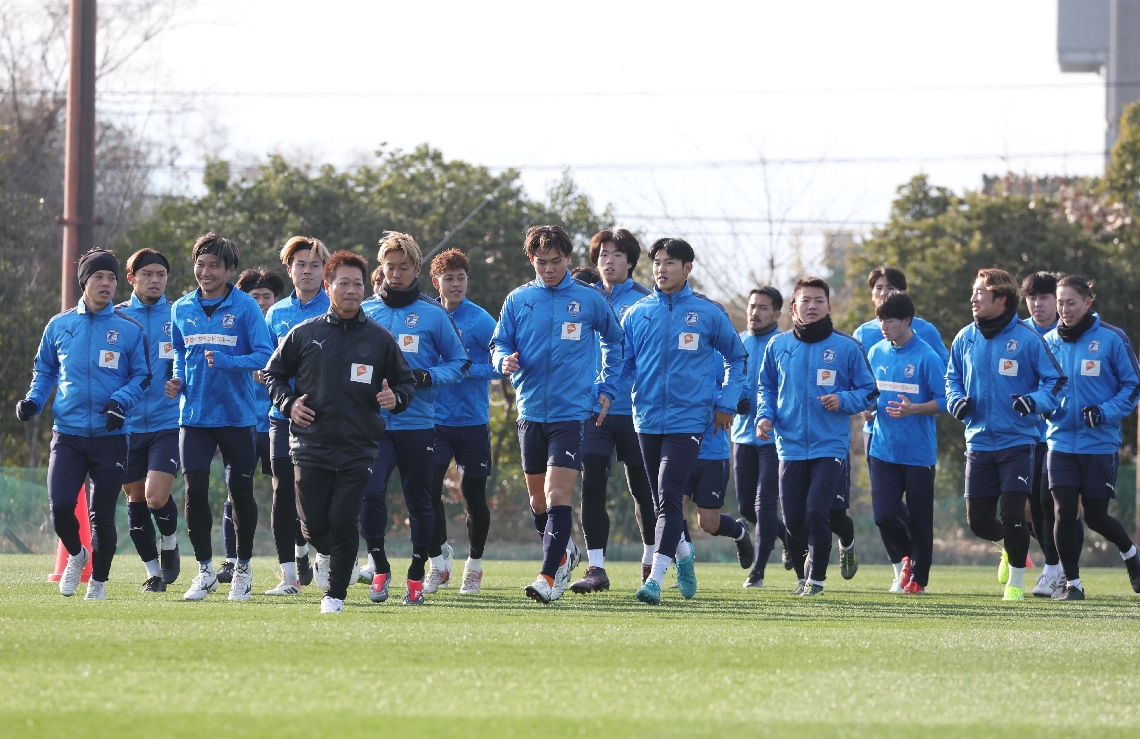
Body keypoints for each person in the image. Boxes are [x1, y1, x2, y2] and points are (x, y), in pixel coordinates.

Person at [265, 250, 417, 613]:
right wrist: (289, 404)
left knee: (344, 519)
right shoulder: (305, 333)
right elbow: (273, 374)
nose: (351, 290)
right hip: (309, 444)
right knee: (314, 525)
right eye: (343, 283)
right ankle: (330, 555)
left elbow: (406, 382)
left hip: (359, 445)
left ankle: (334, 594)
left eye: (357, 284)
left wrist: (394, 397)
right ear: (328, 286)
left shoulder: (379, 339)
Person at [490, 225, 624, 604]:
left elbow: (616, 342)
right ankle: (565, 553)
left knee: (557, 492)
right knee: (538, 503)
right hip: (530, 411)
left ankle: (548, 576)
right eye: (540, 262)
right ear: (531, 261)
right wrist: (504, 359)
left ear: (568, 258)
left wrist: (606, 388)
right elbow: (499, 342)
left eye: (555, 261)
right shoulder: (518, 300)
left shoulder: (589, 300)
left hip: (572, 413)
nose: (548, 269)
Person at [617, 237, 746, 606]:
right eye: (656, 261)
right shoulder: (638, 313)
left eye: (670, 262)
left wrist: (726, 402)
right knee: (662, 502)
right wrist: (604, 391)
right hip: (645, 420)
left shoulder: (708, 312)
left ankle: (655, 580)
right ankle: (685, 557)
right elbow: (623, 364)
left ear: (688, 268)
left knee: (670, 497)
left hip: (690, 420)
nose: (661, 268)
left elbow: (737, 359)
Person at [19, 248, 150, 600]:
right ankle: (77, 555)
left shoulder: (128, 329)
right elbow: (45, 370)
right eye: (98, 277)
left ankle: (99, 582)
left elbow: (142, 377)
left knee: (102, 515)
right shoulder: (60, 325)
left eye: (111, 278)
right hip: (68, 435)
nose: (106, 284)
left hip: (111, 436)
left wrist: (119, 402)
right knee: (61, 505)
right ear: (84, 282)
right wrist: (34, 400)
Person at [361, 232, 470, 606]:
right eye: (389, 267)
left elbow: (460, 364)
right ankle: (379, 569)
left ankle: (415, 575)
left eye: (403, 267)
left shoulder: (433, 315)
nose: (395, 274)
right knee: (369, 495)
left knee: (420, 502)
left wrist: (425, 377)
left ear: (418, 269)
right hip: (372, 429)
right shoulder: (365, 313)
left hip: (419, 425)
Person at [946, 268, 1065, 601]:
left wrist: (1033, 402)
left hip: (1019, 442)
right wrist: (956, 400)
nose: (973, 298)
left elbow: (1054, 382)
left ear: (1000, 299)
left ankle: (1014, 585)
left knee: (1014, 516)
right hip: (978, 442)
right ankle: (1010, 549)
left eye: (979, 293)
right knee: (979, 523)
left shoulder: (1028, 339)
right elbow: (951, 378)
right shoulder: (964, 337)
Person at [168, 232, 275, 602]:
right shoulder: (180, 307)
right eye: (200, 263)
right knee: (194, 492)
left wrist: (228, 362)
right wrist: (177, 381)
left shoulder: (245, 307)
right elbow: (179, 355)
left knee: (240, 491)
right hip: (194, 416)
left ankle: (242, 569)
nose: (206, 271)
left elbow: (265, 355)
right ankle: (205, 571)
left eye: (214, 265)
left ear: (229, 269)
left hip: (236, 416)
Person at [756, 276, 877, 597]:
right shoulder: (778, 346)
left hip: (830, 446)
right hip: (790, 445)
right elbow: (765, 387)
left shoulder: (847, 346)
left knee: (816, 512)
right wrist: (765, 416)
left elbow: (869, 391)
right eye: (805, 301)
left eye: (818, 301)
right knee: (794, 519)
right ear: (793, 308)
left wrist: (844, 400)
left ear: (829, 306)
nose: (812, 306)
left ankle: (817, 581)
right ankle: (802, 577)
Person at [1043, 275, 1140, 600]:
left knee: (1096, 517)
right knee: (1064, 511)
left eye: (1071, 302)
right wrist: (1042, 406)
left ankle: (1131, 554)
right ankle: (1074, 584)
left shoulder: (1112, 338)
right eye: (1060, 303)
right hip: (1059, 443)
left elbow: (1133, 386)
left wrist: (1103, 411)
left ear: (1088, 302)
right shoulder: (1048, 341)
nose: (1064, 309)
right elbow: (1044, 387)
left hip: (1099, 444)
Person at [572, 229, 658, 593]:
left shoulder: (646, 301)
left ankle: (653, 559)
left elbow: (649, 357)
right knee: (591, 486)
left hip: (634, 410)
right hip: (593, 412)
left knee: (643, 490)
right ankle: (596, 568)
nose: (608, 260)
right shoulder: (582, 299)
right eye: (602, 254)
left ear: (631, 261)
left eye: (617, 254)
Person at [852, 266, 948, 588]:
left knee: (921, 519)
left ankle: (919, 579)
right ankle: (910, 556)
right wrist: (866, 408)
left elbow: (945, 400)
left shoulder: (927, 355)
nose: (884, 326)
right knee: (883, 514)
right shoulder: (876, 351)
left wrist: (915, 409)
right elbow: (868, 392)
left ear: (907, 321)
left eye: (890, 320)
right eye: (881, 320)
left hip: (918, 452)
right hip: (881, 446)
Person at [425, 248, 501, 595]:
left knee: (472, 495)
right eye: (449, 278)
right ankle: (439, 559)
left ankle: (475, 564)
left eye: (461, 277)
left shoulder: (481, 320)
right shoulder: (427, 316)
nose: (456, 284)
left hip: (472, 423)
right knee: (427, 489)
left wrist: (467, 369)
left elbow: (500, 365)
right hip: (434, 421)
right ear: (435, 281)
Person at [261, 238, 332, 595]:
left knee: (317, 495)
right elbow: (269, 367)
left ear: (325, 271)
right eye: (301, 265)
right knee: (282, 493)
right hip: (282, 415)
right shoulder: (276, 314)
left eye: (315, 265)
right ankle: (289, 577)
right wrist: (286, 402)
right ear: (289, 270)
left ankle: (322, 553)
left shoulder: (336, 308)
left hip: (326, 419)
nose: (308, 271)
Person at [117, 249, 183, 592]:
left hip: (167, 421)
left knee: (155, 495)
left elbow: (192, 362)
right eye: (147, 274)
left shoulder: (179, 315)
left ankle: (170, 543)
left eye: (161, 274)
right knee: (135, 498)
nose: (155, 280)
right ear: (132, 279)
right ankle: (153, 572)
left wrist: (181, 382)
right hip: (125, 425)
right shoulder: (116, 318)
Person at [1020, 271, 1081, 598]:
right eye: (1032, 297)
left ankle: (1056, 570)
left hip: (1057, 435)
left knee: (1051, 502)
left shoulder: (1067, 335)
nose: (1037, 304)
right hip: (1024, 434)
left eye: (1044, 297)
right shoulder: (1018, 333)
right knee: (1032, 507)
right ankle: (1058, 566)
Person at [735, 287, 789, 588]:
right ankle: (787, 537)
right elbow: (725, 379)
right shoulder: (738, 342)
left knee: (763, 506)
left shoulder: (784, 345)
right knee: (745, 508)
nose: (755, 312)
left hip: (774, 438)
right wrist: (732, 399)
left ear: (777, 314)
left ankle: (757, 570)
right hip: (742, 436)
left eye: (763, 308)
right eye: (752, 306)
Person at [686, 350, 754, 570]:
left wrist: (720, 400)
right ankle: (684, 568)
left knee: (708, 523)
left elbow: (744, 390)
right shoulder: (671, 348)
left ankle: (740, 532)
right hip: (678, 447)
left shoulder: (720, 354)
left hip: (713, 450)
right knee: (673, 511)